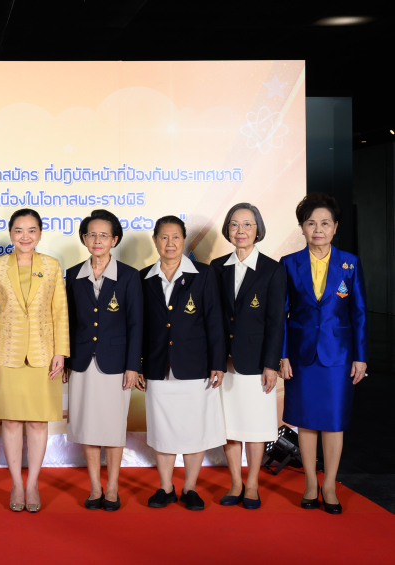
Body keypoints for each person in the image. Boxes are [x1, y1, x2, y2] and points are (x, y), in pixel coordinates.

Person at [279, 192, 368, 515]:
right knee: (306, 423)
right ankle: (310, 484)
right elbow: (282, 314)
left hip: (338, 355)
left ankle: (329, 484)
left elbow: (358, 312)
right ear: (302, 228)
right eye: (311, 223)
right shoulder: (290, 264)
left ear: (335, 227)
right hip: (301, 355)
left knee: (333, 422)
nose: (318, 229)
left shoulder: (349, 263)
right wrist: (283, 354)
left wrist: (361, 356)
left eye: (325, 223)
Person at [0, 209, 68, 512]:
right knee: (11, 420)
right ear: (10, 233)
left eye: (32, 230)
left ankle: (33, 486)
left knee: (38, 422)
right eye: (19, 230)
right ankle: (16, 484)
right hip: (6, 354)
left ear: (40, 233)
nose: (25, 236)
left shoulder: (53, 266)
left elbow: (60, 312)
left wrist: (61, 352)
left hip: (44, 355)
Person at [138, 216, 225, 511]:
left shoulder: (203, 273)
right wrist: (137, 365)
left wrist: (218, 363)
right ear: (155, 241)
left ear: (184, 240)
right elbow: (140, 327)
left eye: (176, 237)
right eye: (164, 237)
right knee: (162, 429)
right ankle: (165, 487)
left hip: (195, 365)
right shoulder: (144, 277)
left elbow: (214, 320)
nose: (170, 243)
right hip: (158, 366)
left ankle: (190, 487)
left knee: (194, 429)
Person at [64, 209, 142, 512]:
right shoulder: (72, 274)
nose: (97, 240)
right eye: (92, 234)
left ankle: (113, 488)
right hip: (82, 361)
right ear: (84, 238)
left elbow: (137, 323)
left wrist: (133, 365)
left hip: (117, 363)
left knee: (112, 426)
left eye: (104, 235)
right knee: (86, 424)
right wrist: (67, 361)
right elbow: (67, 321)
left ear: (115, 239)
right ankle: (95, 487)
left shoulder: (129, 276)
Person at [209, 203, 286, 510]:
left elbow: (276, 321)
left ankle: (252, 484)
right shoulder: (216, 267)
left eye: (247, 225)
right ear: (228, 230)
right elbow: (212, 318)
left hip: (256, 364)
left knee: (254, 427)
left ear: (258, 229)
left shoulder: (271, 269)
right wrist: (214, 361)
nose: (240, 231)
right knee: (229, 428)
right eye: (234, 225)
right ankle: (236, 483)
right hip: (224, 364)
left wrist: (271, 364)